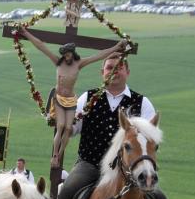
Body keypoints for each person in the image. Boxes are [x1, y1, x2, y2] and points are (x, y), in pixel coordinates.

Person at [50, 53, 178, 199]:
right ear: (102, 72)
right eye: (109, 67)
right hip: (91, 164)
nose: (113, 71)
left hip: (129, 170)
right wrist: (61, 121)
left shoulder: (142, 102)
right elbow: (72, 129)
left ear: (127, 72)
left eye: (119, 68)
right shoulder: (88, 98)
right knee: (66, 193)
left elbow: (151, 138)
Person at [19, 26, 128, 168]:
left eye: (70, 54)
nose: (68, 57)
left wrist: (117, 47)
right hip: (58, 99)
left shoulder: (79, 63)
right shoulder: (57, 62)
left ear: (73, 53)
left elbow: (99, 56)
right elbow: (41, 46)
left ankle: (60, 154)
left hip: (70, 100)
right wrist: (25, 33)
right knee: (61, 126)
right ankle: (55, 155)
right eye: (66, 54)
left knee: (68, 127)